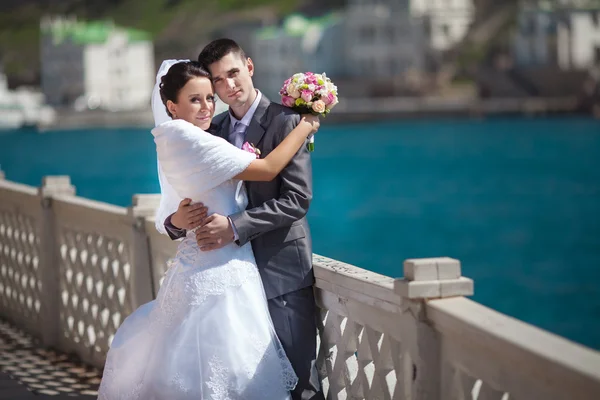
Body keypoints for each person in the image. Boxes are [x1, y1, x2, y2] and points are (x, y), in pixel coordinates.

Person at [97, 60, 319, 400]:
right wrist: (305, 125)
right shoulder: (194, 136)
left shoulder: (182, 135)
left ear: (249, 67)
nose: (207, 106)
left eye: (208, 98)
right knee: (229, 365)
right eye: (196, 99)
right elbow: (269, 168)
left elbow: (294, 197)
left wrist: (177, 221)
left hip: (221, 265)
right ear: (172, 106)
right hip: (222, 269)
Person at [164, 39, 324, 400]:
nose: (228, 86)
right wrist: (177, 220)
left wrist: (235, 227)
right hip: (228, 282)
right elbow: (184, 195)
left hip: (279, 270)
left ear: (249, 67)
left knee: (300, 381)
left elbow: (297, 200)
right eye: (218, 81)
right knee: (242, 383)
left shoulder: (287, 122)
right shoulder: (209, 129)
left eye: (233, 73)